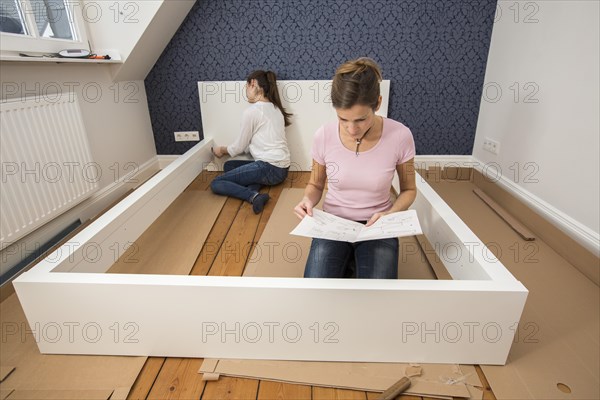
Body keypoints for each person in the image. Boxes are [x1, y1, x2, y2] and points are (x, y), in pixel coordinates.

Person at [294, 58, 417, 279]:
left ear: (377, 103)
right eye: (343, 119)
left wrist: (390, 215)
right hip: (334, 223)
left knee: (378, 296)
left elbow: (409, 190)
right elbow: (315, 184)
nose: (352, 129)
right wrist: (307, 201)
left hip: (378, 225)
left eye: (361, 119)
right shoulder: (323, 136)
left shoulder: (400, 136)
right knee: (315, 289)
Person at [211, 70, 292, 214]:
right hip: (282, 170)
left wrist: (221, 150)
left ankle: (254, 196)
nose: (246, 92)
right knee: (229, 165)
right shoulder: (275, 108)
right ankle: (254, 186)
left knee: (216, 183)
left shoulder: (252, 112)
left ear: (253, 83)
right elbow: (254, 143)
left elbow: (238, 147)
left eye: (246, 87)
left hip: (268, 168)